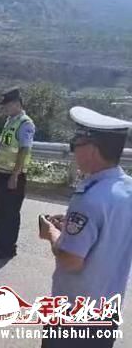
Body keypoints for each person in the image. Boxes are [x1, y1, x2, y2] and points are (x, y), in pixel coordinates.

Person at [39, 106, 132, 348]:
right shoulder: (127, 189)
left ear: (92, 149)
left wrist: (52, 233)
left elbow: (71, 260)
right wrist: (70, 223)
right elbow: (112, 230)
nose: (73, 152)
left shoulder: (88, 199)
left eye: (76, 144)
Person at [0, 88, 36, 259]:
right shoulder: (11, 121)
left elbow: (24, 150)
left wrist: (15, 175)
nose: (4, 108)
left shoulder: (25, 123)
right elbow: (6, 146)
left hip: (14, 175)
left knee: (10, 212)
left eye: (7, 105)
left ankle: (9, 247)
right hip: (2, 172)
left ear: (17, 104)